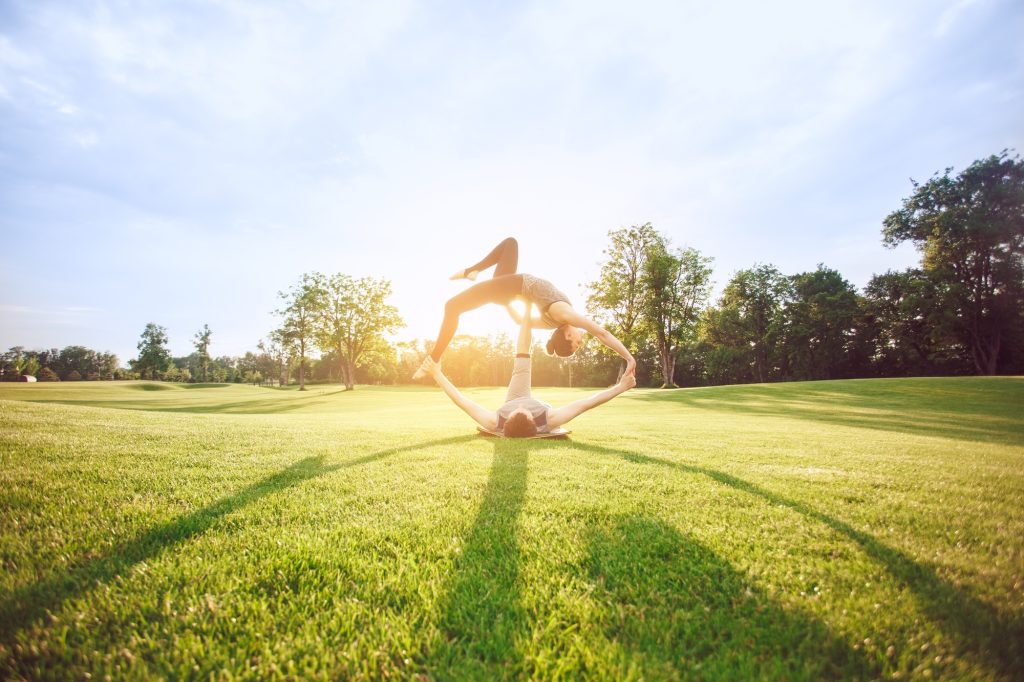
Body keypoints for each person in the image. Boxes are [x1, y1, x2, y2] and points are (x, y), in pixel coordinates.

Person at [413, 237, 635, 379]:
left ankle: (434, 358)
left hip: (511, 286)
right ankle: (472, 270)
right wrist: (510, 302)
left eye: (576, 345)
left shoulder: (563, 315)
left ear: (567, 335)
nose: (581, 341)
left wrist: (628, 358)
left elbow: (602, 334)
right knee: (510, 244)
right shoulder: (553, 322)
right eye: (578, 345)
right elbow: (521, 321)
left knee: (451, 306)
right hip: (509, 286)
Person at [421, 301, 636, 437]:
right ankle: (525, 308)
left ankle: (525, 307)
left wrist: (437, 374)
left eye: (518, 409)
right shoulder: (549, 419)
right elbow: (586, 404)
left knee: (521, 360)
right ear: (534, 419)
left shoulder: (495, 421)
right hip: (538, 411)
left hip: (513, 396)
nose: (523, 405)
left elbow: (463, 402)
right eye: (525, 409)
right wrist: (621, 387)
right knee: (525, 363)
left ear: (507, 418)